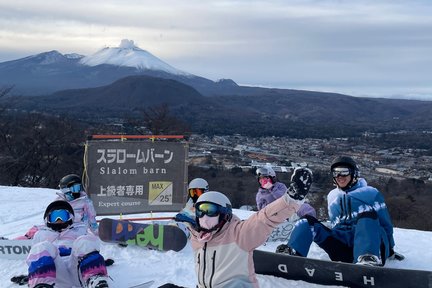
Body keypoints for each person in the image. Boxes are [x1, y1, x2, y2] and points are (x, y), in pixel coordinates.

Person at [187, 167, 313, 288]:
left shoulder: (238, 235)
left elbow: (264, 218)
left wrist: (291, 199)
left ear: (224, 214)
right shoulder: (198, 239)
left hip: (282, 215)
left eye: (210, 210)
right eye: (200, 211)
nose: (204, 216)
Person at [276, 156, 396, 267]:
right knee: (306, 222)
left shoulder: (371, 193)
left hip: (372, 246)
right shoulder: (332, 196)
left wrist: (390, 249)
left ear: (354, 173)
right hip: (342, 246)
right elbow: (334, 224)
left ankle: (367, 259)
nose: (339, 176)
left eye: (344, 172)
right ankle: (293, 255)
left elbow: (385, 224)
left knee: (367, 217)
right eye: (336, 172)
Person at [26, 200, 109, 288]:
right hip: (55, 275)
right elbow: (35, 257)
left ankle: (95, 280)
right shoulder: (40, 234)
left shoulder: (80, 229)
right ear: (48, 219)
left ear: (70, 217)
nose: (59, 220)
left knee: (84, 241)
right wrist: (35, 274)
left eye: (62, 216)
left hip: (78, 271)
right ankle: (41, 284)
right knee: (42, 247)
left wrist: (94, 262)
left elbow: (90, 247)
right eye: (55, 217)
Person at [16, 174, 98, 240]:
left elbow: (92, 220)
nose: (78, 191)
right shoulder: (59, 200)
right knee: (37, 228)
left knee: (64, 235)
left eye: (79, 187)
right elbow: (51, 215)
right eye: (75, 188)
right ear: (66, 190)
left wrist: (97, 233)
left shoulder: (85, 201)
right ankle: (23, 240)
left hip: (76, 227)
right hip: (60, 224)